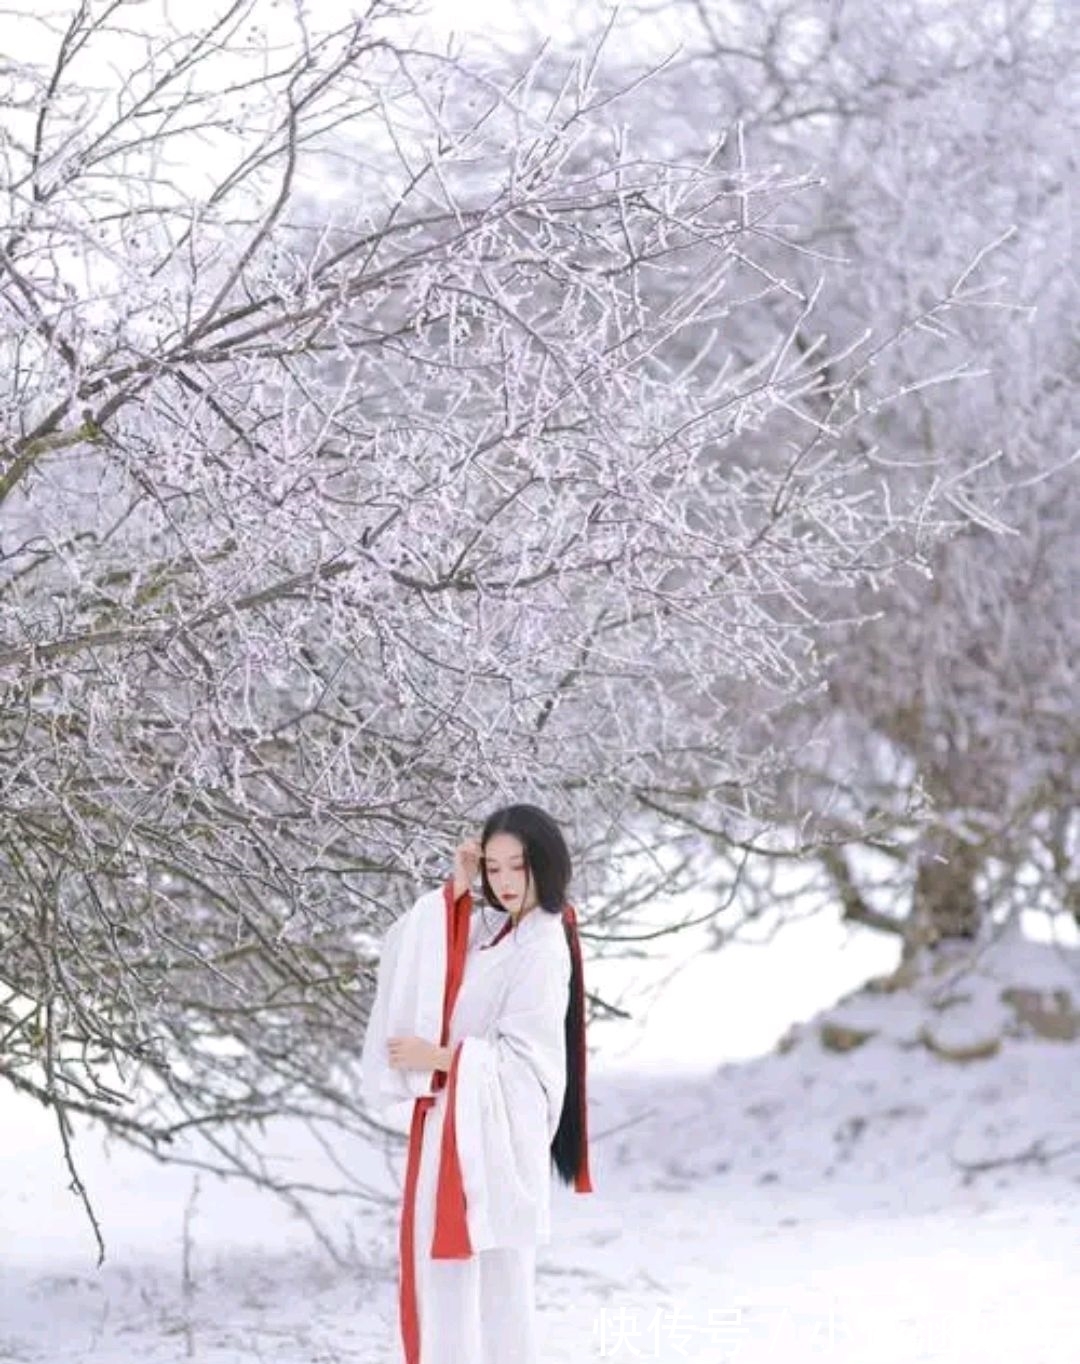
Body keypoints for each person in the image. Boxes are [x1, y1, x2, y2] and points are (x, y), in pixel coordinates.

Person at [363, 803, 593, 1364]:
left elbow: (528, 1067)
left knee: (498, 1295)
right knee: (464, 1289)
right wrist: (460, 885)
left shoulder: (541, 944)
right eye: (495, 868)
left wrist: (437, 1057)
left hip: (493, 1138)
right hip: (464, 1128)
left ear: (546, 864)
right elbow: (419, 956)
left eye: (519, 866)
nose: (506, 882)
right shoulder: (509, 934)